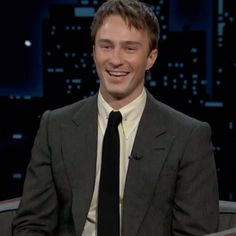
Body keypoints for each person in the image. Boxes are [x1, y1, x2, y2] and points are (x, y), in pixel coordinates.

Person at [12, 0, 219, 235]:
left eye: (130, 48)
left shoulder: (188, 136)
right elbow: (32, 224)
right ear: (93, 52)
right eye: (106, 46)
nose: (115, 59)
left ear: (151, 58)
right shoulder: (55, 127)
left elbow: (195, 233)